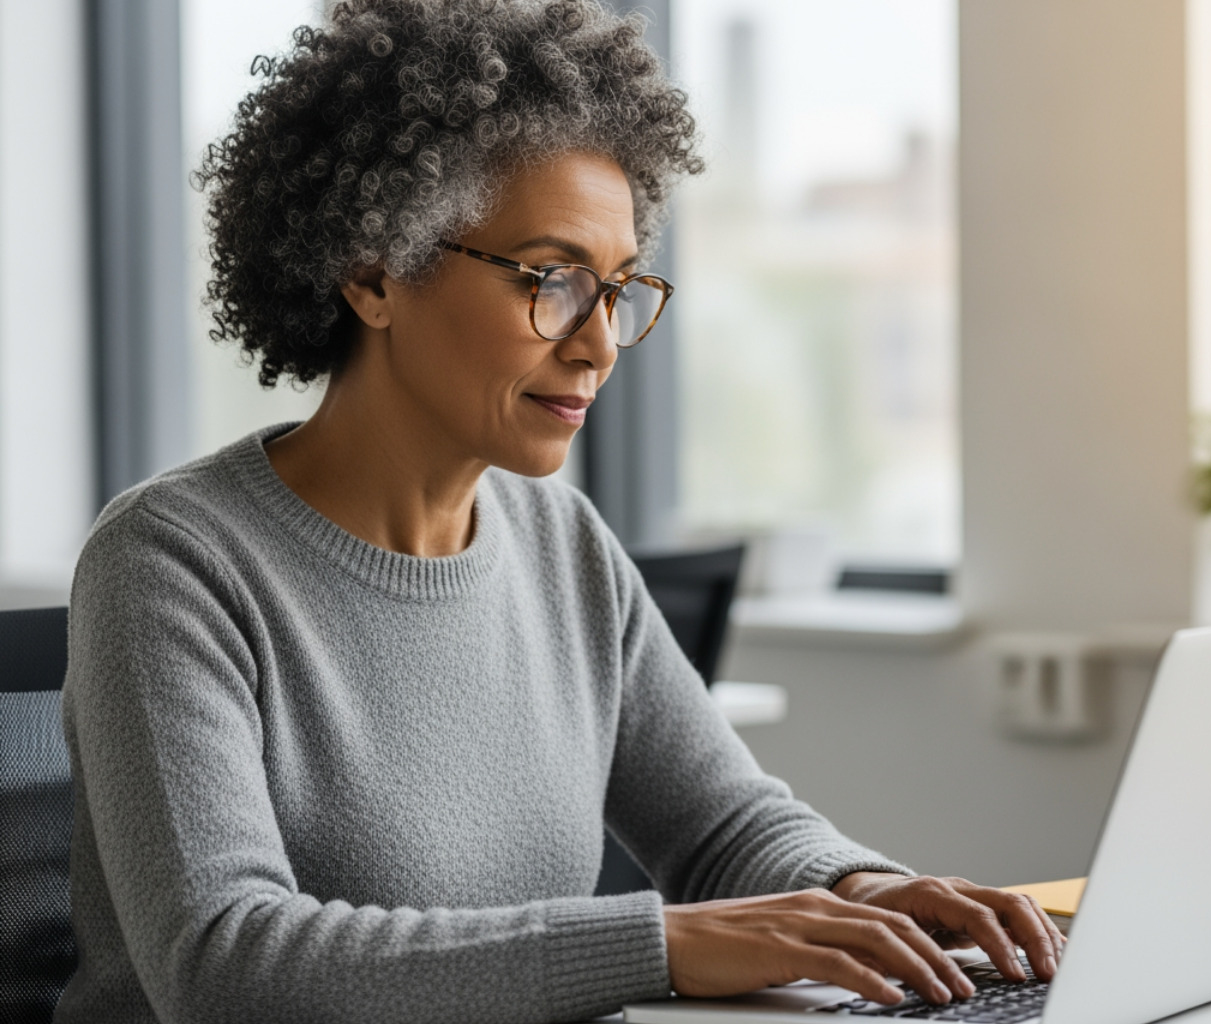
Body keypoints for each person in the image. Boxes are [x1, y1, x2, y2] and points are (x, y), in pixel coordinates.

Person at [55, 2, 1064, 1021]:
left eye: (619, 289)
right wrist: (658, 944)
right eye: (550, 279)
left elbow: (720, 827)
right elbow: (228, 963)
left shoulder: (562, 545)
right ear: (372, 272)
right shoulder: (173, 561)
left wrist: (868, 891)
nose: (599, 343)